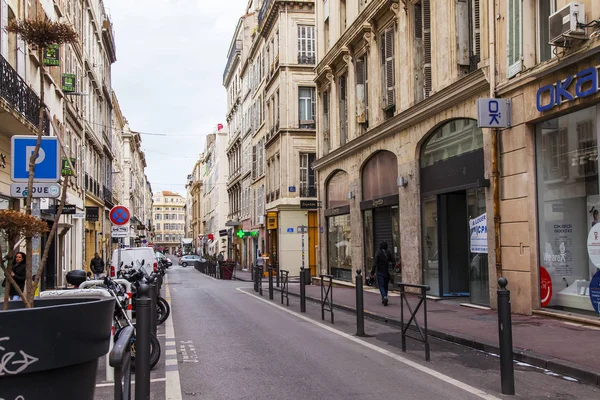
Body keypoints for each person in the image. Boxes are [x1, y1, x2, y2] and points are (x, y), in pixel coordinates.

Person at [370, 241, 394, 306]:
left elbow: (374, 264)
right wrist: (392, 269)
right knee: (386, 286)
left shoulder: (378, 253)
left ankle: (384, 297)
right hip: (387, 272)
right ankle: (385, 297)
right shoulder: (389, 252)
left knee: (381, 286)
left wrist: (372, 273)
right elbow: (393, 261)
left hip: (380, 272)